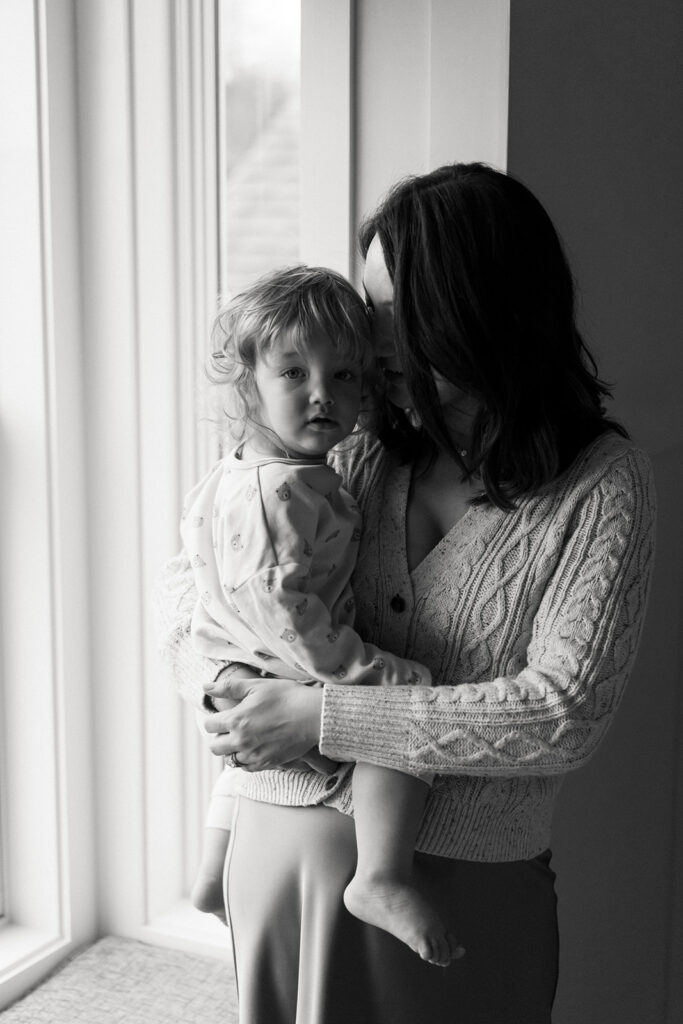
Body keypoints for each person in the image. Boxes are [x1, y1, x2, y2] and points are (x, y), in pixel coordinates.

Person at [156, 163, 656, 1024]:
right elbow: (193, 587)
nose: (368, 338)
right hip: (284, 856)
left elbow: (563, 712)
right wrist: (223, 688)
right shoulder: (349, 440)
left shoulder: (601, 486)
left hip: (469, 895)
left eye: (396, 310)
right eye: (370, 302)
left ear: (479, 312)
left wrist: (321, 716)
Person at [181, 265, 458, 965]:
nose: (319, 395)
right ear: (248, 384)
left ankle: (214, 874)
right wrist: (355, 670)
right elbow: (285, 609)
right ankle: (382, 874)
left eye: (344, 376)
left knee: (243, 749)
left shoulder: (244, 468)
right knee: (402, 702)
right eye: (293, 374)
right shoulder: (285, 493)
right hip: (281, 656)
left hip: (238, 660)